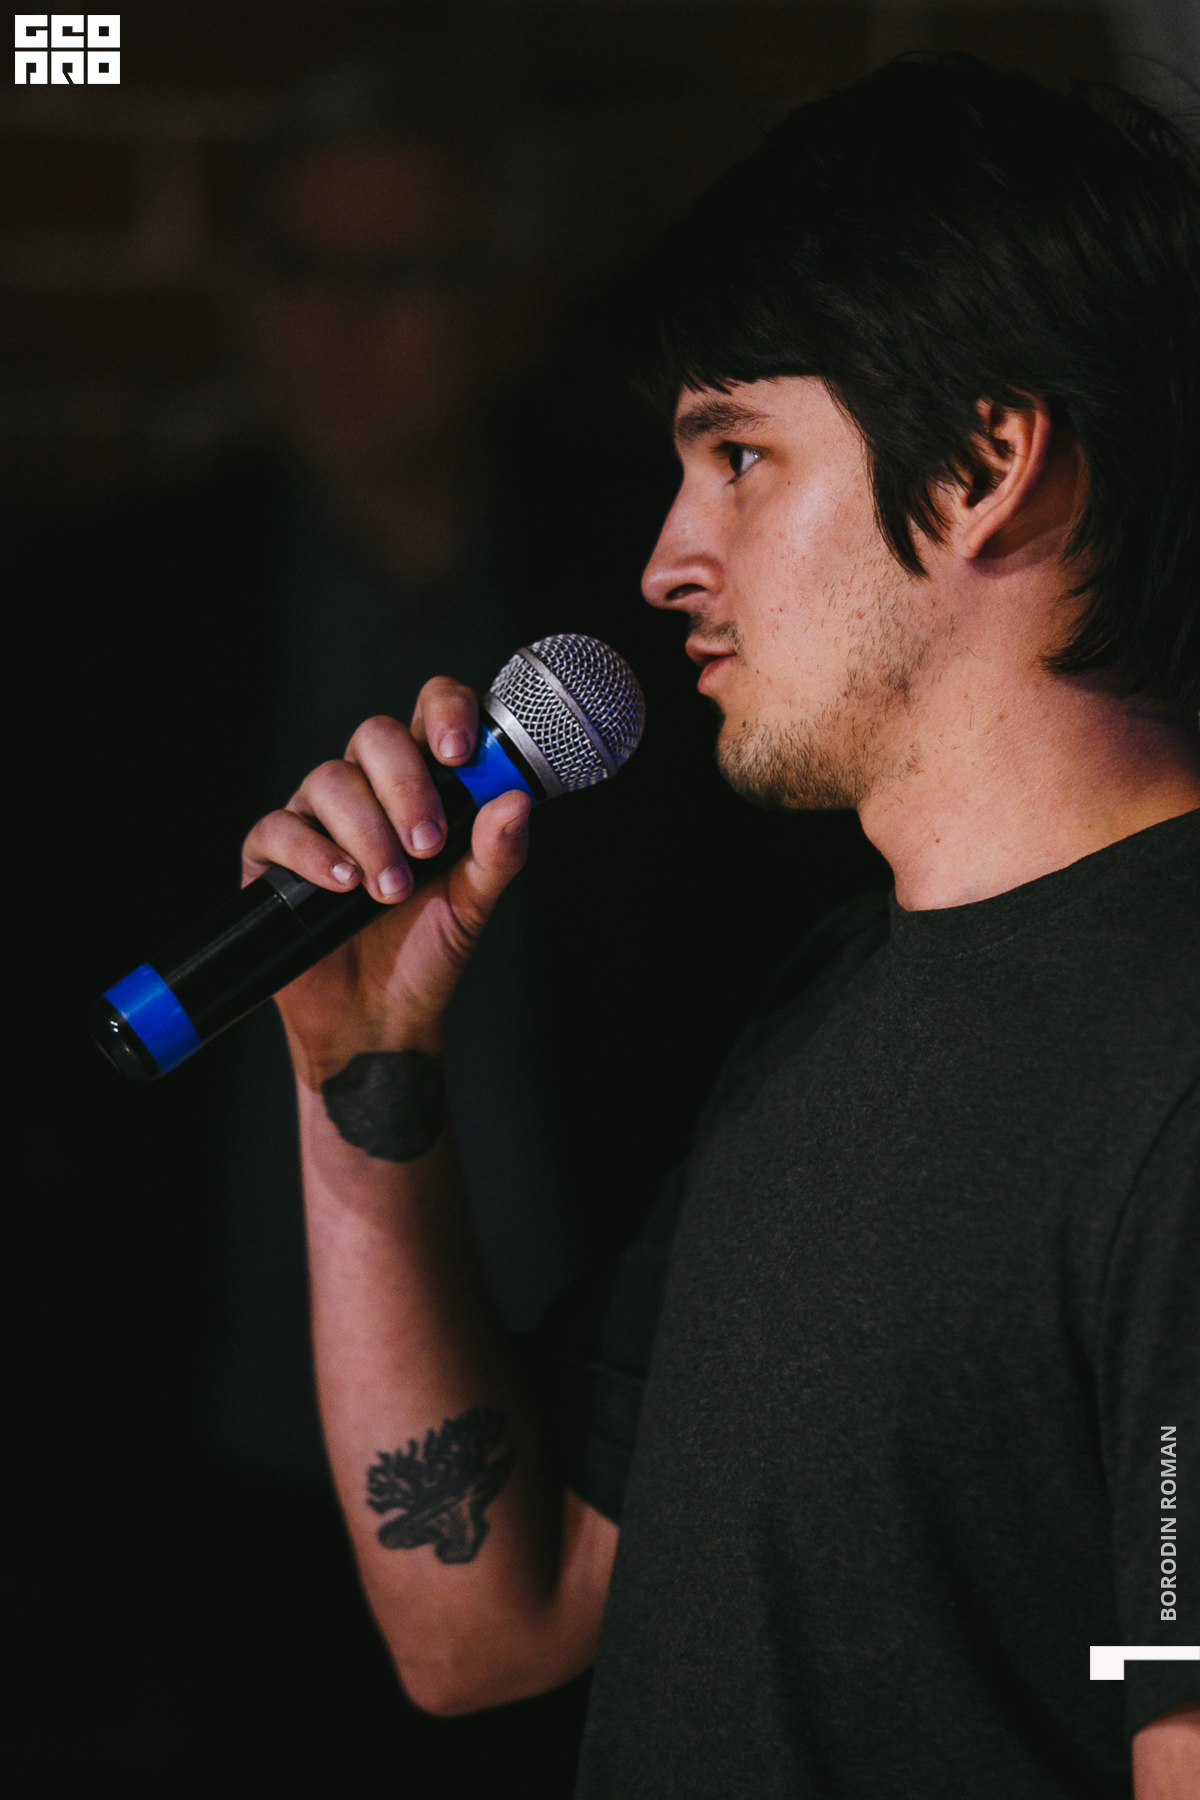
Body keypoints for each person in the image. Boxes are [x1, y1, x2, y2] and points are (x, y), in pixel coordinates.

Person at [236, 56, 1199, 1798]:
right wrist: (363, 1077)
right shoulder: (840, 998)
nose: (669, 559)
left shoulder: (1170, 1047)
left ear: (988, 462)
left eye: (739, 455)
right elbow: (482, 1617)